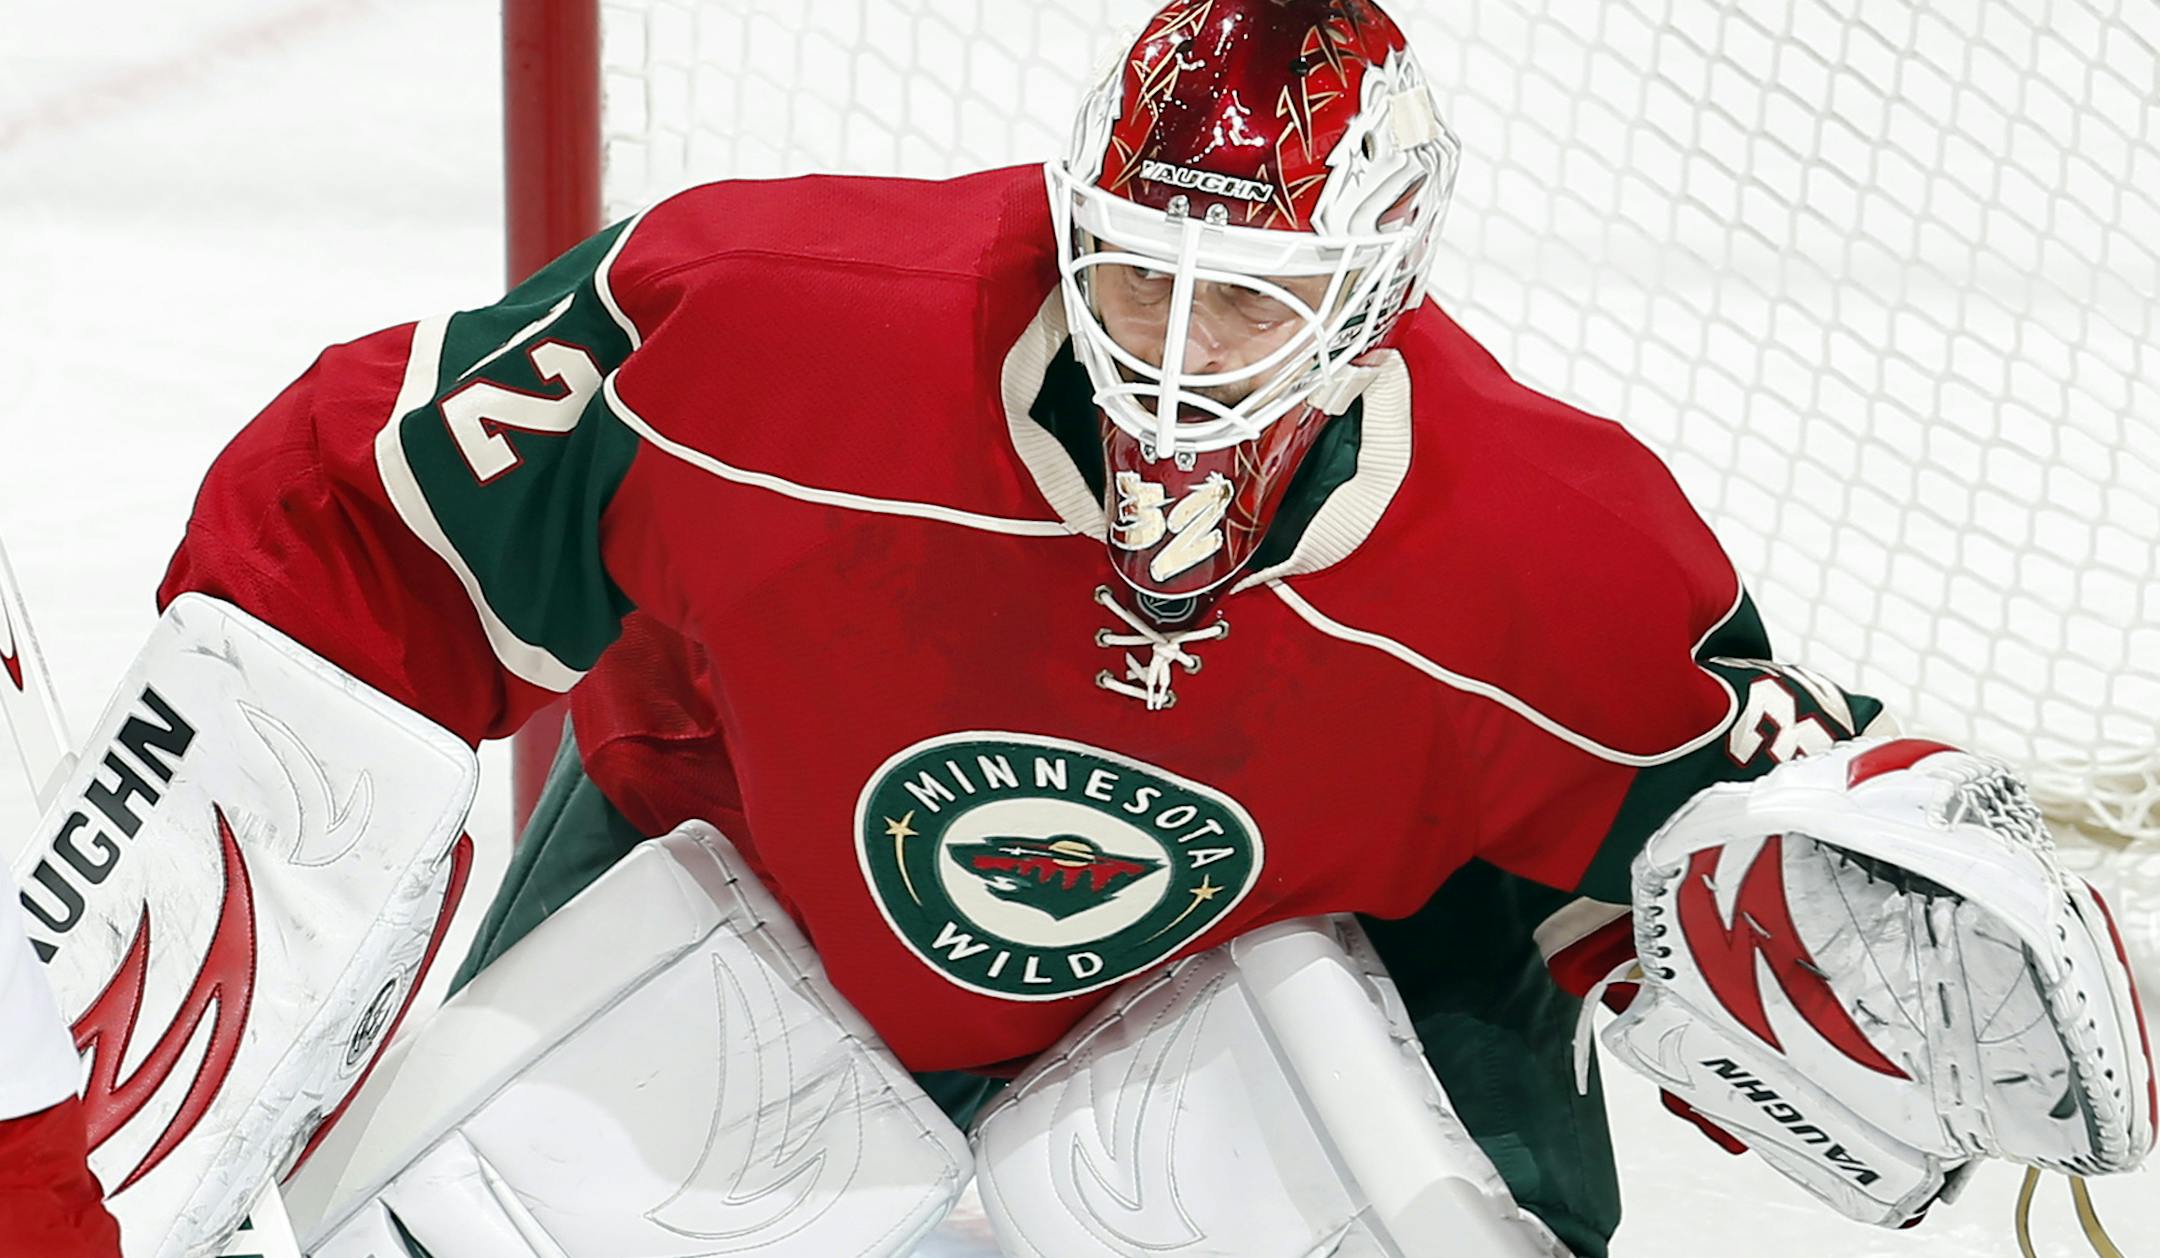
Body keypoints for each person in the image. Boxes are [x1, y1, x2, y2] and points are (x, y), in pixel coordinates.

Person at [4, 1, 2149, 1254]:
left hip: (1247, 1031)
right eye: (1136, 277)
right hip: (724, 893)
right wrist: (183, 854)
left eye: (1257, 307)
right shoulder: (769, 333)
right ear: (1067, 225)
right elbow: (359, 504)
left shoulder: (1560, 562)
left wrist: (1806, 916)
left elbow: (1682, 870)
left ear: (1380, 292)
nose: (1181, 359)